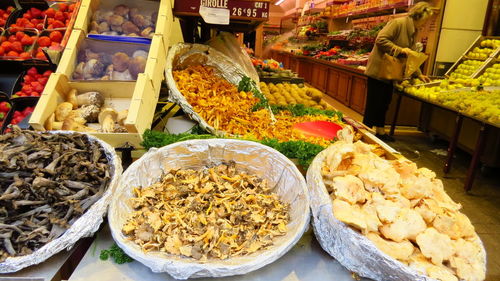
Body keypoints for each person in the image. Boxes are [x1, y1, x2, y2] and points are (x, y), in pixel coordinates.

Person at [363, 1, 433, 142]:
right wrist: (399, 50)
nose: (425, 24)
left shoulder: (413, 31)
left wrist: (419, 74)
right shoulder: (398, 23)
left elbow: (411, 55)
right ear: (418, 16)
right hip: (379, 70)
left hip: (390, 72)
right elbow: (380, 40)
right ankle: (364, 133)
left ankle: (380, 131)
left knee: (384, 102)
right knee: (374, 103)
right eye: (425, 20)